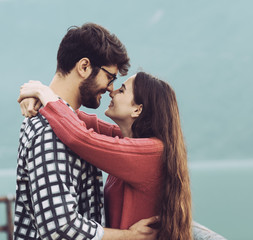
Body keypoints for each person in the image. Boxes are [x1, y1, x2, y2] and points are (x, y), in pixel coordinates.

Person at [14, 23, 159, 240]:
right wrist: (130, 236)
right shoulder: (50, 132)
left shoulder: (64, 123)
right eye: (110, 77)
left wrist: (43, 93)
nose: (111, 88)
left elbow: (96, 132)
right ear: (84, 67)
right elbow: (60, 228)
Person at [18, 72, 193, 240]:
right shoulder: (131, 142)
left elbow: (81, 137)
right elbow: (75, 120)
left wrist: (43, 93)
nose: (112, 91)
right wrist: (40, 95)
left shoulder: (150, 153)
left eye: (122, 90)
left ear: (137, 109)